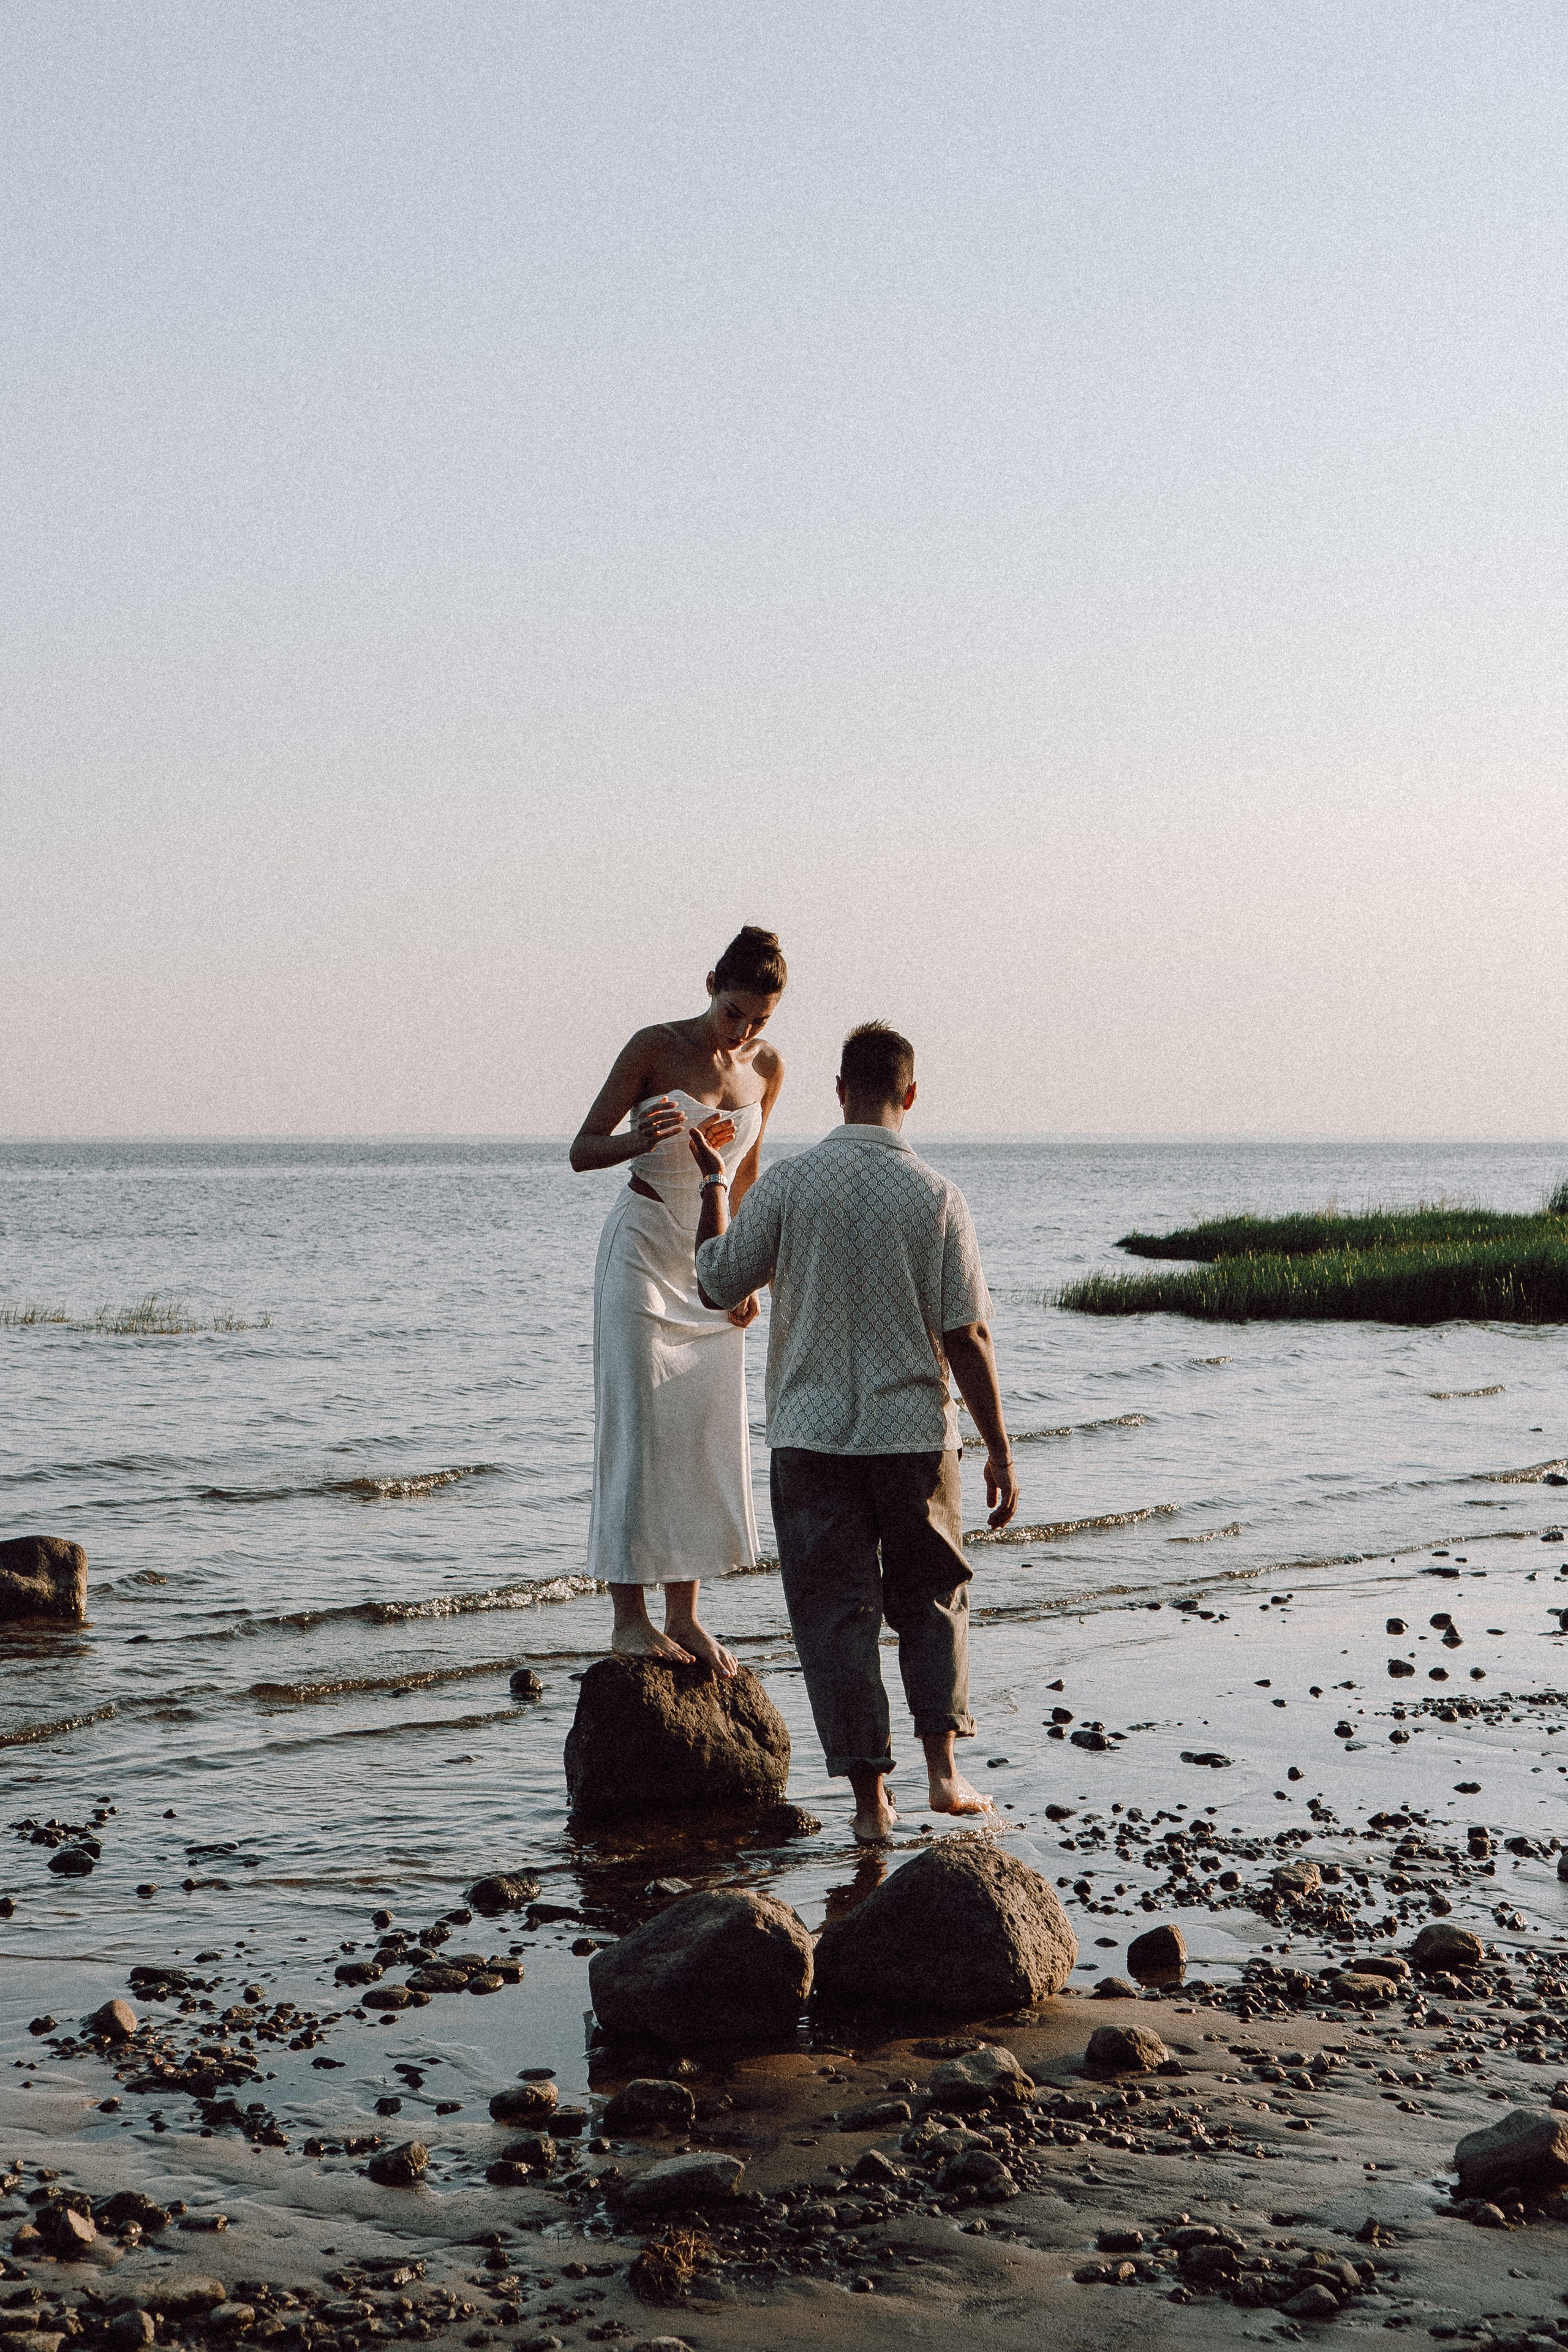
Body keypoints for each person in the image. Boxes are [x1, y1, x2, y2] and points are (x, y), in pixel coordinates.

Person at [689, 1019, 1019, 1841]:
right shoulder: (937, 1196)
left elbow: (718, 1281)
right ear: (911, 1094)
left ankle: (871, 1806)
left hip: (810, 1441)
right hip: (915, 1437)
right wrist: (999, 1449)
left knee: (835, 1619)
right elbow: (967, 1334)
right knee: (932, 1601)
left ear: (839, 1090)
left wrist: (714, 1184)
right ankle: (942, 1773)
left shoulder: (789, 1185)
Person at [569, 925, 787, 1675]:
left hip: (711, 1264)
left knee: (701, 1434)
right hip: (641, 1252)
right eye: (734, 1013)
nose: (743, 1032)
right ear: (709, 986)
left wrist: (745, 1275)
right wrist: (639, 1139)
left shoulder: (767, 1067)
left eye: (759, 1019)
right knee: (637, 1431)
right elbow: (581, 1150)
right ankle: (628, 1621)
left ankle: (684, 1617)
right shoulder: (654, 1047)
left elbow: (746, 1174)